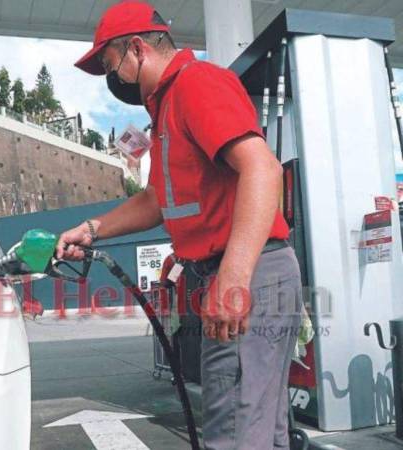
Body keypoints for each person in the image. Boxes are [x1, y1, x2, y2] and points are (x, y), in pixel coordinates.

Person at [57, 1, 302, 449]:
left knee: (234, 431)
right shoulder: (167, 111)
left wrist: (233, 278)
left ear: (137, 49)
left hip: (249, 271)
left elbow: (262, 170)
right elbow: (155, 201)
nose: (115, 80)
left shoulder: (196, 85)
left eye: (113, 66)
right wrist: (92, 228)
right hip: (241, 272)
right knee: (261, 429)